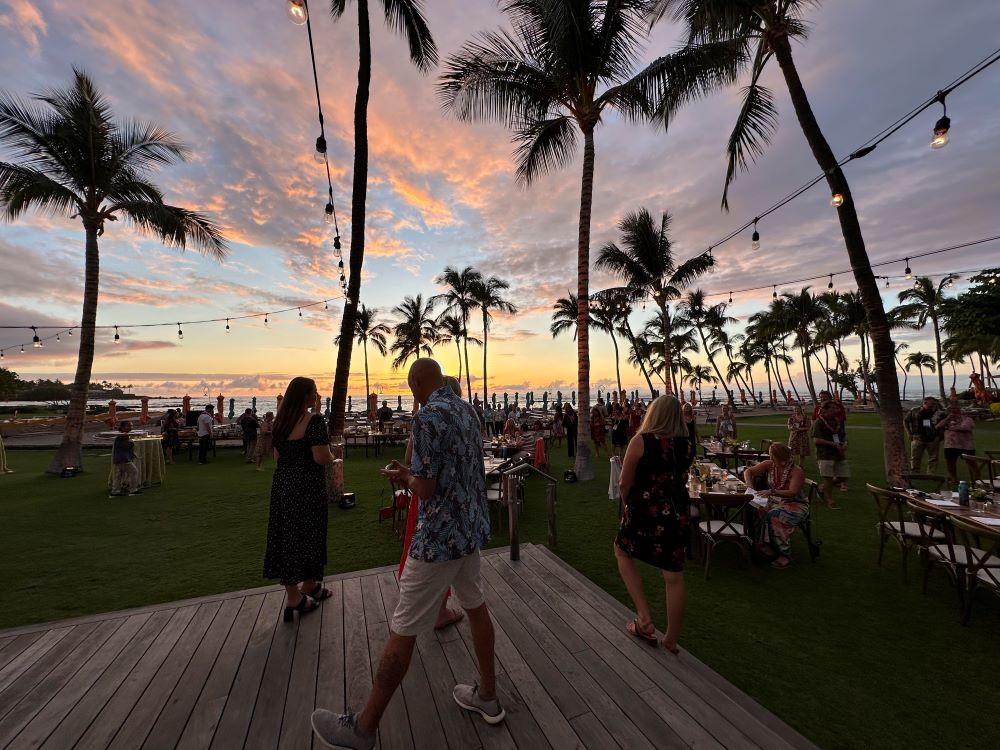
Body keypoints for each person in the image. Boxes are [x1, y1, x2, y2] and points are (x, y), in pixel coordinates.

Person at [312, 359, 501, 748]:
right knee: (476, 605)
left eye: (410, 386)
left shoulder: (427, 417)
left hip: (437, 541)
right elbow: (459, 469)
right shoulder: (468, 410)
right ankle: (487, 695)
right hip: (469, 532)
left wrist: (405, 478)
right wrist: (415, 474)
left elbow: (427, 488)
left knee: (403, 627)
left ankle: (364, 727)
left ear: (416, 382)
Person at [615, 395, 692, 655]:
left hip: (645, 511)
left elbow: (624, 483)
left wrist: (627, 506)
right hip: (677, 513)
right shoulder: (687, 444)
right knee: (673, 575)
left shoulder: (642, 441)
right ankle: (671, 639)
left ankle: (644, 618)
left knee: (622, 552)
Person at [264, 377, 335, 623]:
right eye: (314, 392)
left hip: (283, 486)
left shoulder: (281, 422)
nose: (316, 395)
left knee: (288, 535)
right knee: (310, 534)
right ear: (305, 396)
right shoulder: (314, 421)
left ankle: (309, 585)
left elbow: (277, 457)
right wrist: (333, 453)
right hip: (307, 488)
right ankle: (296, 598)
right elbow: (320, 457)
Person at [743, 443, 809, 569]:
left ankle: (785, 555)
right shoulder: (769, 464)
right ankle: (765, 544)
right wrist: (749, 485)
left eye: (773, 457)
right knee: (756, 508)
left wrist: (772, 492)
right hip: (776, 500)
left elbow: (792, 492)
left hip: (796, 504)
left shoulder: (796, 471)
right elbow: (748, 471)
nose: (771, 459)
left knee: (775, 515)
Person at [812, 401, 848, 509]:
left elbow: (843, 436)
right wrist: (833, 444)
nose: (835, 410)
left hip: (838, 454)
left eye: (835, 408)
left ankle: (821, 488)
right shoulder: (819, 423)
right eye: (832, 408)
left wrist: (845, 443)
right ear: (825, 409)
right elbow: (816, 440)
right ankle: (829, 500)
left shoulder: (837, 421)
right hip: (825, 454)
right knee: (828, 478)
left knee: (843, 476)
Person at [938, 402, 975, 485]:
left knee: (971, 463)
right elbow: (938, 426)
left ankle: (975, 480)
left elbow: (965, 427)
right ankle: (953, 479)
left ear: (959, 409)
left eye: (955, 408)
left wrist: (949, 428)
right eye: (951, 409)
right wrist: (947, 419)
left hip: (965, 445)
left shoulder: (966, 418)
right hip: (950, 445)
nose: (953, 410)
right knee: (950, 463)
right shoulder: (947, 419)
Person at [905, 397, 945, 473]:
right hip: (917, 437)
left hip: (933, 438)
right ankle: (915, 473)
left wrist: (941, 435)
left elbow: (945, 423)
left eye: (934, 404)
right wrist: (909, 433)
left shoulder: (938, 412)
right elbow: (906, 421)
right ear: (925, 403)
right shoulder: (914, 411)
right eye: (932, 404)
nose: (933, 406)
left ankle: (931, 474)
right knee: (915, 457)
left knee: (933, 458)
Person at [111, 420, 141, 496]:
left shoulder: (124, 435)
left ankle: (115, 491)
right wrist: (130, 442)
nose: (131, 427)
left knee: (119, 475)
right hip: (123, 458)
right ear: (123, 427)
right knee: (134, 471)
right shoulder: (122, 436)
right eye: (128, 426)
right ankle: (133, 490)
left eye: (131, 426)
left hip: (120, 458)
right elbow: (125, 446)